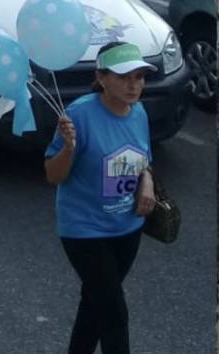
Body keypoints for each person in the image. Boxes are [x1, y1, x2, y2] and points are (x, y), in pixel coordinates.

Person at [45, 41, 156, 354]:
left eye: (139, 76)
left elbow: (143, 158)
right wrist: (68, 148)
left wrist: (146, 181)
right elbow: (53, 176)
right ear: (102, 78)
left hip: (127, 227)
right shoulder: (79, 115)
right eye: (124, 77)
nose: (134, 85)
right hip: (84, 230)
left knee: (94, 304)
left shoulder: (139, 113)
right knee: (114, 314)